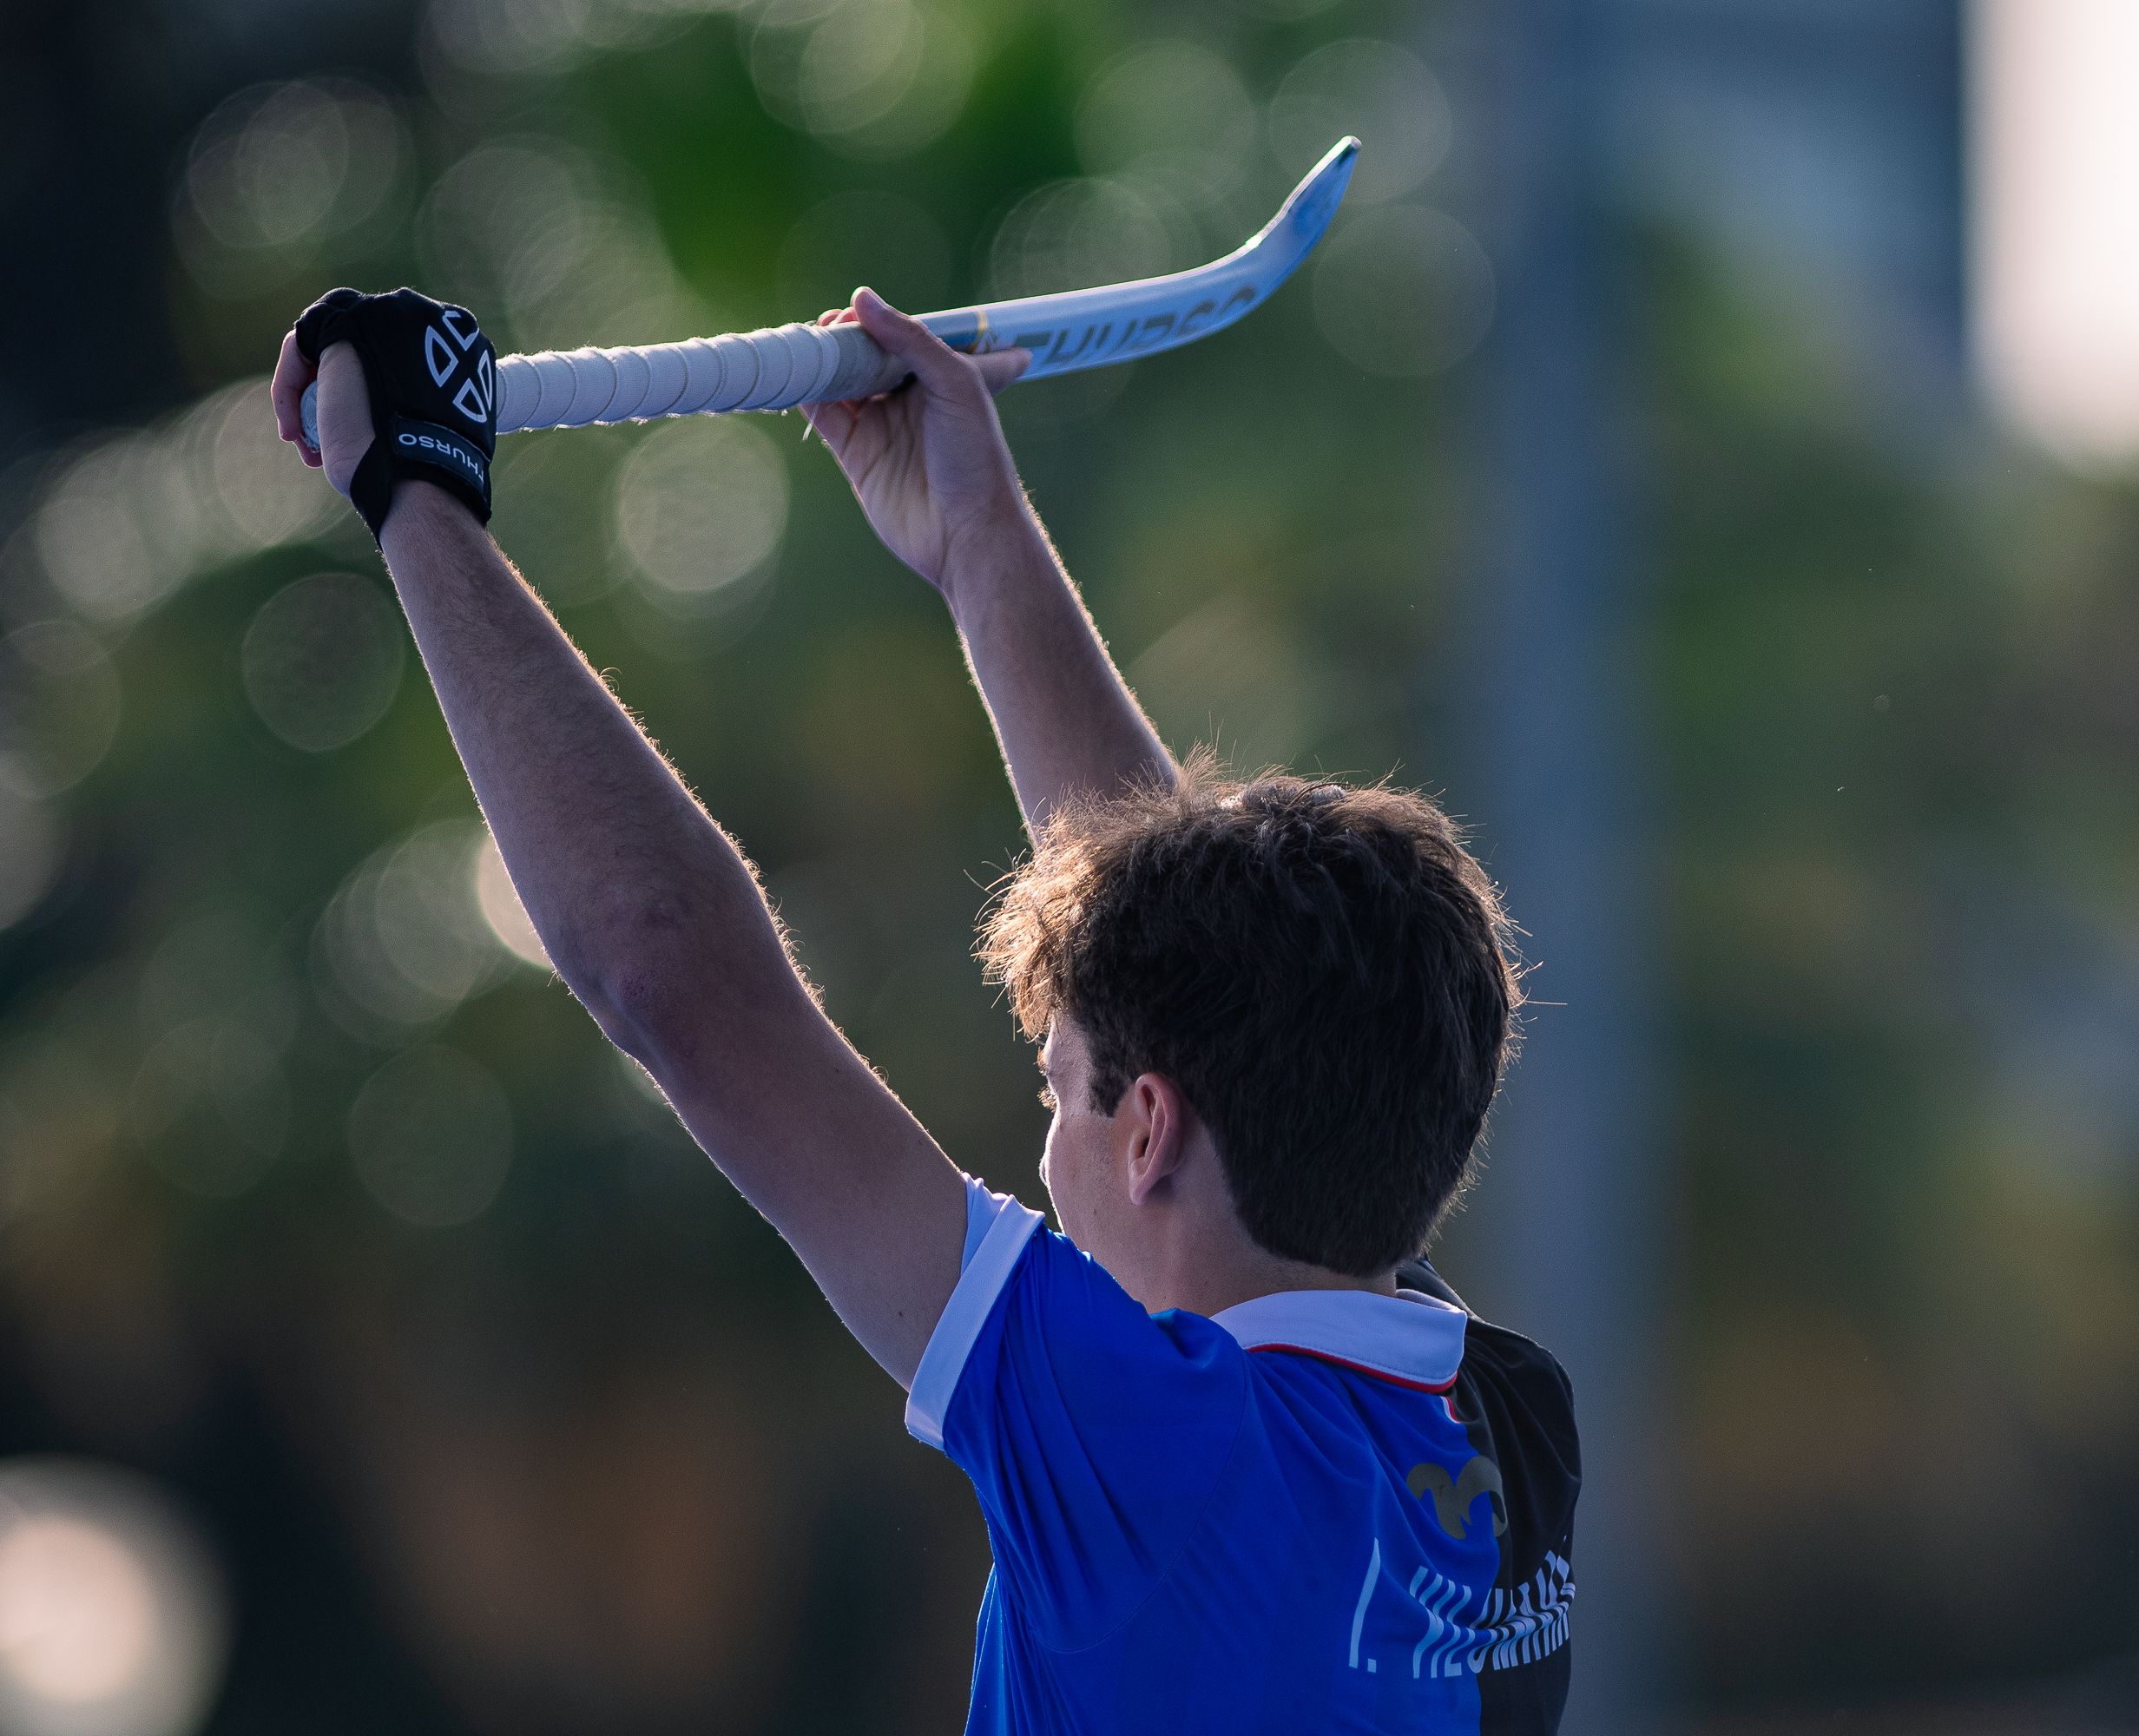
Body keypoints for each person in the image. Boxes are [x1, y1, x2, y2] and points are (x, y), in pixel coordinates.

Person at [271, 283, 1580, 1733]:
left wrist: (417, 498)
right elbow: (1177, 944)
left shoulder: (1155, 1447)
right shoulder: (1500, 1427)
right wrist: (976, 537)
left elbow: (676, 975)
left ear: (1147, 1131)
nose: (1042, 1131)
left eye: (1053, 1080)